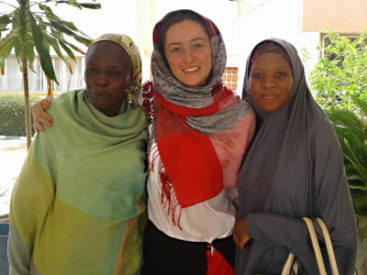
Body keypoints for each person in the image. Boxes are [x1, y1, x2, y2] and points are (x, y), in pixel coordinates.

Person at [32, 10, 256, 275]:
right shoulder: (148, 101)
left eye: (197, 45)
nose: (188, 58)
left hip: (218, 250)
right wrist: (53, 107)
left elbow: (252, 190)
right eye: (176, 49)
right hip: (159, 248)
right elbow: (99, 96)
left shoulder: (241, 116)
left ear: (214, 48)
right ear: (163, 56)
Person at [8, 34, 148, 275]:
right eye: (92, 70)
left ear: (131, 78)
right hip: (55, 265)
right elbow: (26, 204)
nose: (100, 80)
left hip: (121, 265)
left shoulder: (145, 127)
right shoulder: (57, 118)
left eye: (113, 73)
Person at [233, 38, 358, 275]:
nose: (268, 84)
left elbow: (340, 234)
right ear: (247, 81)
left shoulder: (314, 132)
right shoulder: (245, 128)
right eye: (258, 75)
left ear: (297, 78)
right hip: (250, 264)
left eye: (280, 75)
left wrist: (258, 226)